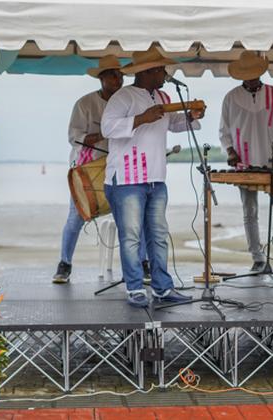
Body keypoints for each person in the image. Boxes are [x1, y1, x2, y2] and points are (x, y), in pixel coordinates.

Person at [101, 47, 204, 308]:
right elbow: (107, 128)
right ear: (146, 72)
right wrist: (141, 119)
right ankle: (135, 288)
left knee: (158, 235)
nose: (166, 73)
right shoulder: (123, 97)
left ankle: (162, 288)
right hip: (126, 179)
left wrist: (191, 117)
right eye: (161, 69)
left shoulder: (163, 94)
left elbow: (172, 123)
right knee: (131, 236)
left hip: (156, 178)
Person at [53, 55, 151, 283]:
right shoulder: (85, 103)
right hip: (89, 168)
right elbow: (73, 137)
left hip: (120, 167)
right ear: (102, 78)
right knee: (75, 218)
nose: (118, 79)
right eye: (113, 75)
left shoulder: (129, 100)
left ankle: (143, 263)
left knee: (137, 216)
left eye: (120, 76)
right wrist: (103, 133)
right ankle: (64, 264)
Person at [218, 51, 273, 276]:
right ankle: (257, 259)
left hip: (271, 161)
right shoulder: (231, 97)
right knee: (250, 211)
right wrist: (230, 152)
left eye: (254, 73)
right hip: (243, 163)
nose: (251, 77)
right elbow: (223, 131)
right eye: (247, 74)